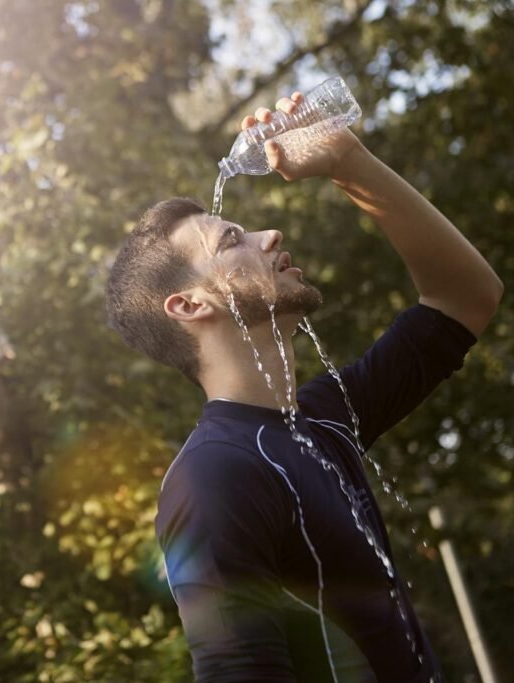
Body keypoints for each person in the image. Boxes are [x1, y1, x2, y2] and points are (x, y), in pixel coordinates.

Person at [105, 91, 504, 681]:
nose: (268, 235)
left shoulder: (324, 417)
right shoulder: (213, 476)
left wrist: (348, 160)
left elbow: (465, 297)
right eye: (232, 240)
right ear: (189, 304)